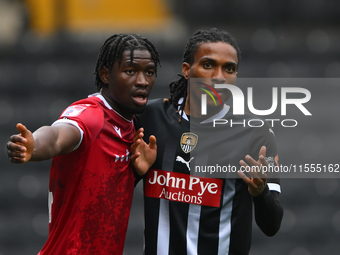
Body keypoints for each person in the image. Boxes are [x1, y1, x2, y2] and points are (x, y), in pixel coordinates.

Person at [6, 33, 159, 255]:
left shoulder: (132, 128)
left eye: (150, 72)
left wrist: (135, 174)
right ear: (105, 74)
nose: (143, 81)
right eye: (130, 71)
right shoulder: (92, 115)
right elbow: (58, 136)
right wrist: (34, 145)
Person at [134, 28, 283, 255]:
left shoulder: (257, 133)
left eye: (229, 69)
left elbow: (272, 225)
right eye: (208, 65)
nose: (219, 76)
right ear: (187, 70)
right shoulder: (150, 116)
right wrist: (134, 173)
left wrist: (260, 192)